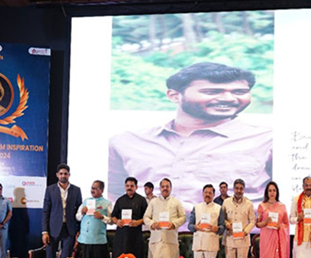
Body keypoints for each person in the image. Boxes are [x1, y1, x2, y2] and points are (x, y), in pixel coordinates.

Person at [108, 62, 273, 215]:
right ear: (174, 96)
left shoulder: (267, 140)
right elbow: (114, 194)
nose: (229, 98)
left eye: (239, 92)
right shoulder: (127, 141)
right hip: (151, 238)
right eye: (212, 92)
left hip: (230, 239)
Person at [144, 178, 186, 258]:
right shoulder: (153, 202)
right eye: (163, 186)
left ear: (171, 188)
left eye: (167, 186)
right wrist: (152, 224)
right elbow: (146, 217)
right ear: (160, 188)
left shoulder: (176, 202)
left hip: (170, 240)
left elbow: (183, 217)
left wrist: (174, 224)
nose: (165, 188)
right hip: (156, 239)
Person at [111, 177, 147, 258]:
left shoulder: (141, 200)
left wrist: (138, 222)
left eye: (132, 185)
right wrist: (117, 221)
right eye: (127, 185)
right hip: (121, 236)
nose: (129, 188)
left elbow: (147, 217)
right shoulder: (120, 200)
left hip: (135, 236)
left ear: (136, 187)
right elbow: (113, 216)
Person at [188, 184, 225, 258]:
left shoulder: (218, 208)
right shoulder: (196, 207)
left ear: (214, 195)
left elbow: (222, 227)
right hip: (198, 242)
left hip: (211, 242)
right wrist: (195, 227)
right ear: (202, 194)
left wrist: (217, 228)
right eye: (206, 192)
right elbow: (190, 225)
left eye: (210, 193)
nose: (207, 194)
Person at [75, 180, 112, 258]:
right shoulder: (86, 201)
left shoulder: (107, 203)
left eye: (95, 188)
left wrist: (102, 217)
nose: (93, 190)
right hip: (85, 240)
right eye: (92, 188)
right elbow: (77, 217)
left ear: (102, 190)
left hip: (99, 241)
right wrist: (82, 211)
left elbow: (112, 220)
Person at [256, 181, 290, 258]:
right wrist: (265, 222)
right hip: (266, 239)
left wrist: (279, 226)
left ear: (277, 192)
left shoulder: (282, 206)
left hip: (278, 240)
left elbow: (286, 224)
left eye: (274, 190)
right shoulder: (262, 206)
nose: (272, 193)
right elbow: (257, 223)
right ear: (267, 192)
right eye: (270, 190)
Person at [42, 164, 82, 258]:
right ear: (57, 175)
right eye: (61, 174)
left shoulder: (76, 190)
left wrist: (78, 229)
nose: (63, 176)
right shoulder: (50, 190)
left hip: (69, 229)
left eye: (65, 173)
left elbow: (79, 211)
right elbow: (46, 211)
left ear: (69, 175)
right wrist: (45, 231)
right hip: (52, 229)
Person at [222, 178, 255, 258]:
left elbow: (252, 221)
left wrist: (245, 231)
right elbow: (222, 219)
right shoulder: (226, 202)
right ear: (233, 189)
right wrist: (227, 224)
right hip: (229, 239)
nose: (239, 191)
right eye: (237, 188)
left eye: (241, 188)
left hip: (242, 240)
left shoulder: (249, 204)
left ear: (243, 190)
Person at [143, 181, 157, 258]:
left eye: (146, 189)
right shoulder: (143, 200)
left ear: (151, 189)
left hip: (155, 227)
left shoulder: (157, 200)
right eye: (144, 189)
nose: (145, 190)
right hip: (144, 226)